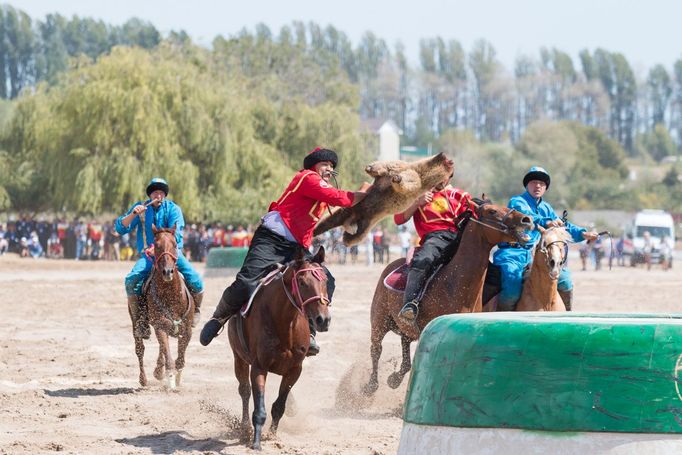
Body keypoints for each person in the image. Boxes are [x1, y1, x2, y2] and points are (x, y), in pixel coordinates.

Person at [200, 147, 367, 354]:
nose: (329, 169)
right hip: (271, 239)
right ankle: (219, 317)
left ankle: (311, 330)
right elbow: (340, 198)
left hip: (297, 247)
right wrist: (368, 193)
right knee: (246, 281)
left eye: (332, 166)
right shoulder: (307, 178)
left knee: (326, 281)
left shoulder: (322, 193)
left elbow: (340, 203)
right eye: (325, 164)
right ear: (314, 166)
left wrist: (363, 196)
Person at [492, 166, 598, 311]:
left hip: (537, 255)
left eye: (541, 183)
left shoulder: (546, 208)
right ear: (527, 185)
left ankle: (567, 316)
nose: (538, 186)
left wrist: (583, 233)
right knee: (512, 288)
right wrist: (546, 222)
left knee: (565, 280)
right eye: (534, 182)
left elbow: (563, 226)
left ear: (545, 188)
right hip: (512, 254)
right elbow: (527, 217)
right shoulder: (517, 202)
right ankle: (502, 323)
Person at [115, 178, 204, 339]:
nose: (159, 195)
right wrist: (133, 214)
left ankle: (195, 310)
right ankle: (139, 321)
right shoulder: (140, 209)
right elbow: (120, 228)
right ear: (150, 195)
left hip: (170, 254)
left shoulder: (173, 209)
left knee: (196, 280)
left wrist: (164, 247)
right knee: (131, 280)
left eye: (162, 192)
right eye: (155, 192)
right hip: (148, 257)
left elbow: (176, 235)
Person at [394, 172, 472, 322]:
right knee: (423, 259)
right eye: (436, 174)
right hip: (434, 238)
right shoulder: (419, 196)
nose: (440, 179)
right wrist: (417, 202)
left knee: (490, 268)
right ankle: (409, 305)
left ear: (449, 176)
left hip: (460, 238)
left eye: (443, 175)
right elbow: (398, 219)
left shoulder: (461, 195)